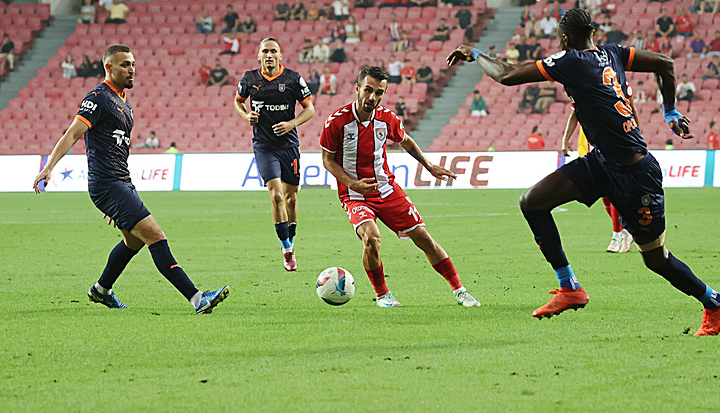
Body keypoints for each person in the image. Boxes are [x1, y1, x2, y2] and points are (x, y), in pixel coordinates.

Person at [446, 8, 720, 335]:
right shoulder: (613, 53)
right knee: (533, 202)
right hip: (601, 163)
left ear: (564, 39)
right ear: (593, 31)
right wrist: (669, 111)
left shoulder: (570, 60)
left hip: (635, 174)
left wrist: (476, 52)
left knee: (657, 260)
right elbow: (665, 63)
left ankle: (715, 302)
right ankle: (570, 287)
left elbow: (506, 75)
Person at [33, 44, 229, 314]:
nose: (132, 69)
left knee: (134, 241)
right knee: (155, 235)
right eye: (125, 64)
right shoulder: (98, 98)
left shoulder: (124, 103)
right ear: (109, 68)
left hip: (121, 183)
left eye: (133, 64)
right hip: (107, 184)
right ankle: (197, 298)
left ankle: (101, 290)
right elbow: (72, 134)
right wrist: (49, 166)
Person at [319, 66, 480, 308]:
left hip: (386, 189)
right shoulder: (337, 122)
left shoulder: (387, 119)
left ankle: (460, 291)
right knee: (371, 239)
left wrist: (429, 166)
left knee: (424, 238)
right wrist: (353, 184)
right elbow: (327, 160)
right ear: (357, 88)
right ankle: (383, 295)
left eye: (379, 92)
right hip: (354, 194)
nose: (372, 97)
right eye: (368, 90)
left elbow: (405, 141)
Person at [233, 38, 315, 271]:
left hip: (288, 146)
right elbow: (238, 102)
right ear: (258, 56)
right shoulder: (250, 79)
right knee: (276, 196)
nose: (269, 55)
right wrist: (245, 116)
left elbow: (310, 109)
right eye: (265, 52)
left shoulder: (292, 79)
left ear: (280, 55)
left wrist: (291, 123)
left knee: (291, 198)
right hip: (264, 146)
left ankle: (290, 238)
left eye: (273, 51)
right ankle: (287, 249)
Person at [560, 83, 640, 253]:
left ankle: (618, 234)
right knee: (604, 193)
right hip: (592, 145)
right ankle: (626, 230)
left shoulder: (619, 83)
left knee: (613, 189)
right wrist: (565, 140)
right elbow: (575, 113)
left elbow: (631, 109)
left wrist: (637, 136)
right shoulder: (578, 87)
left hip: (615, 142)